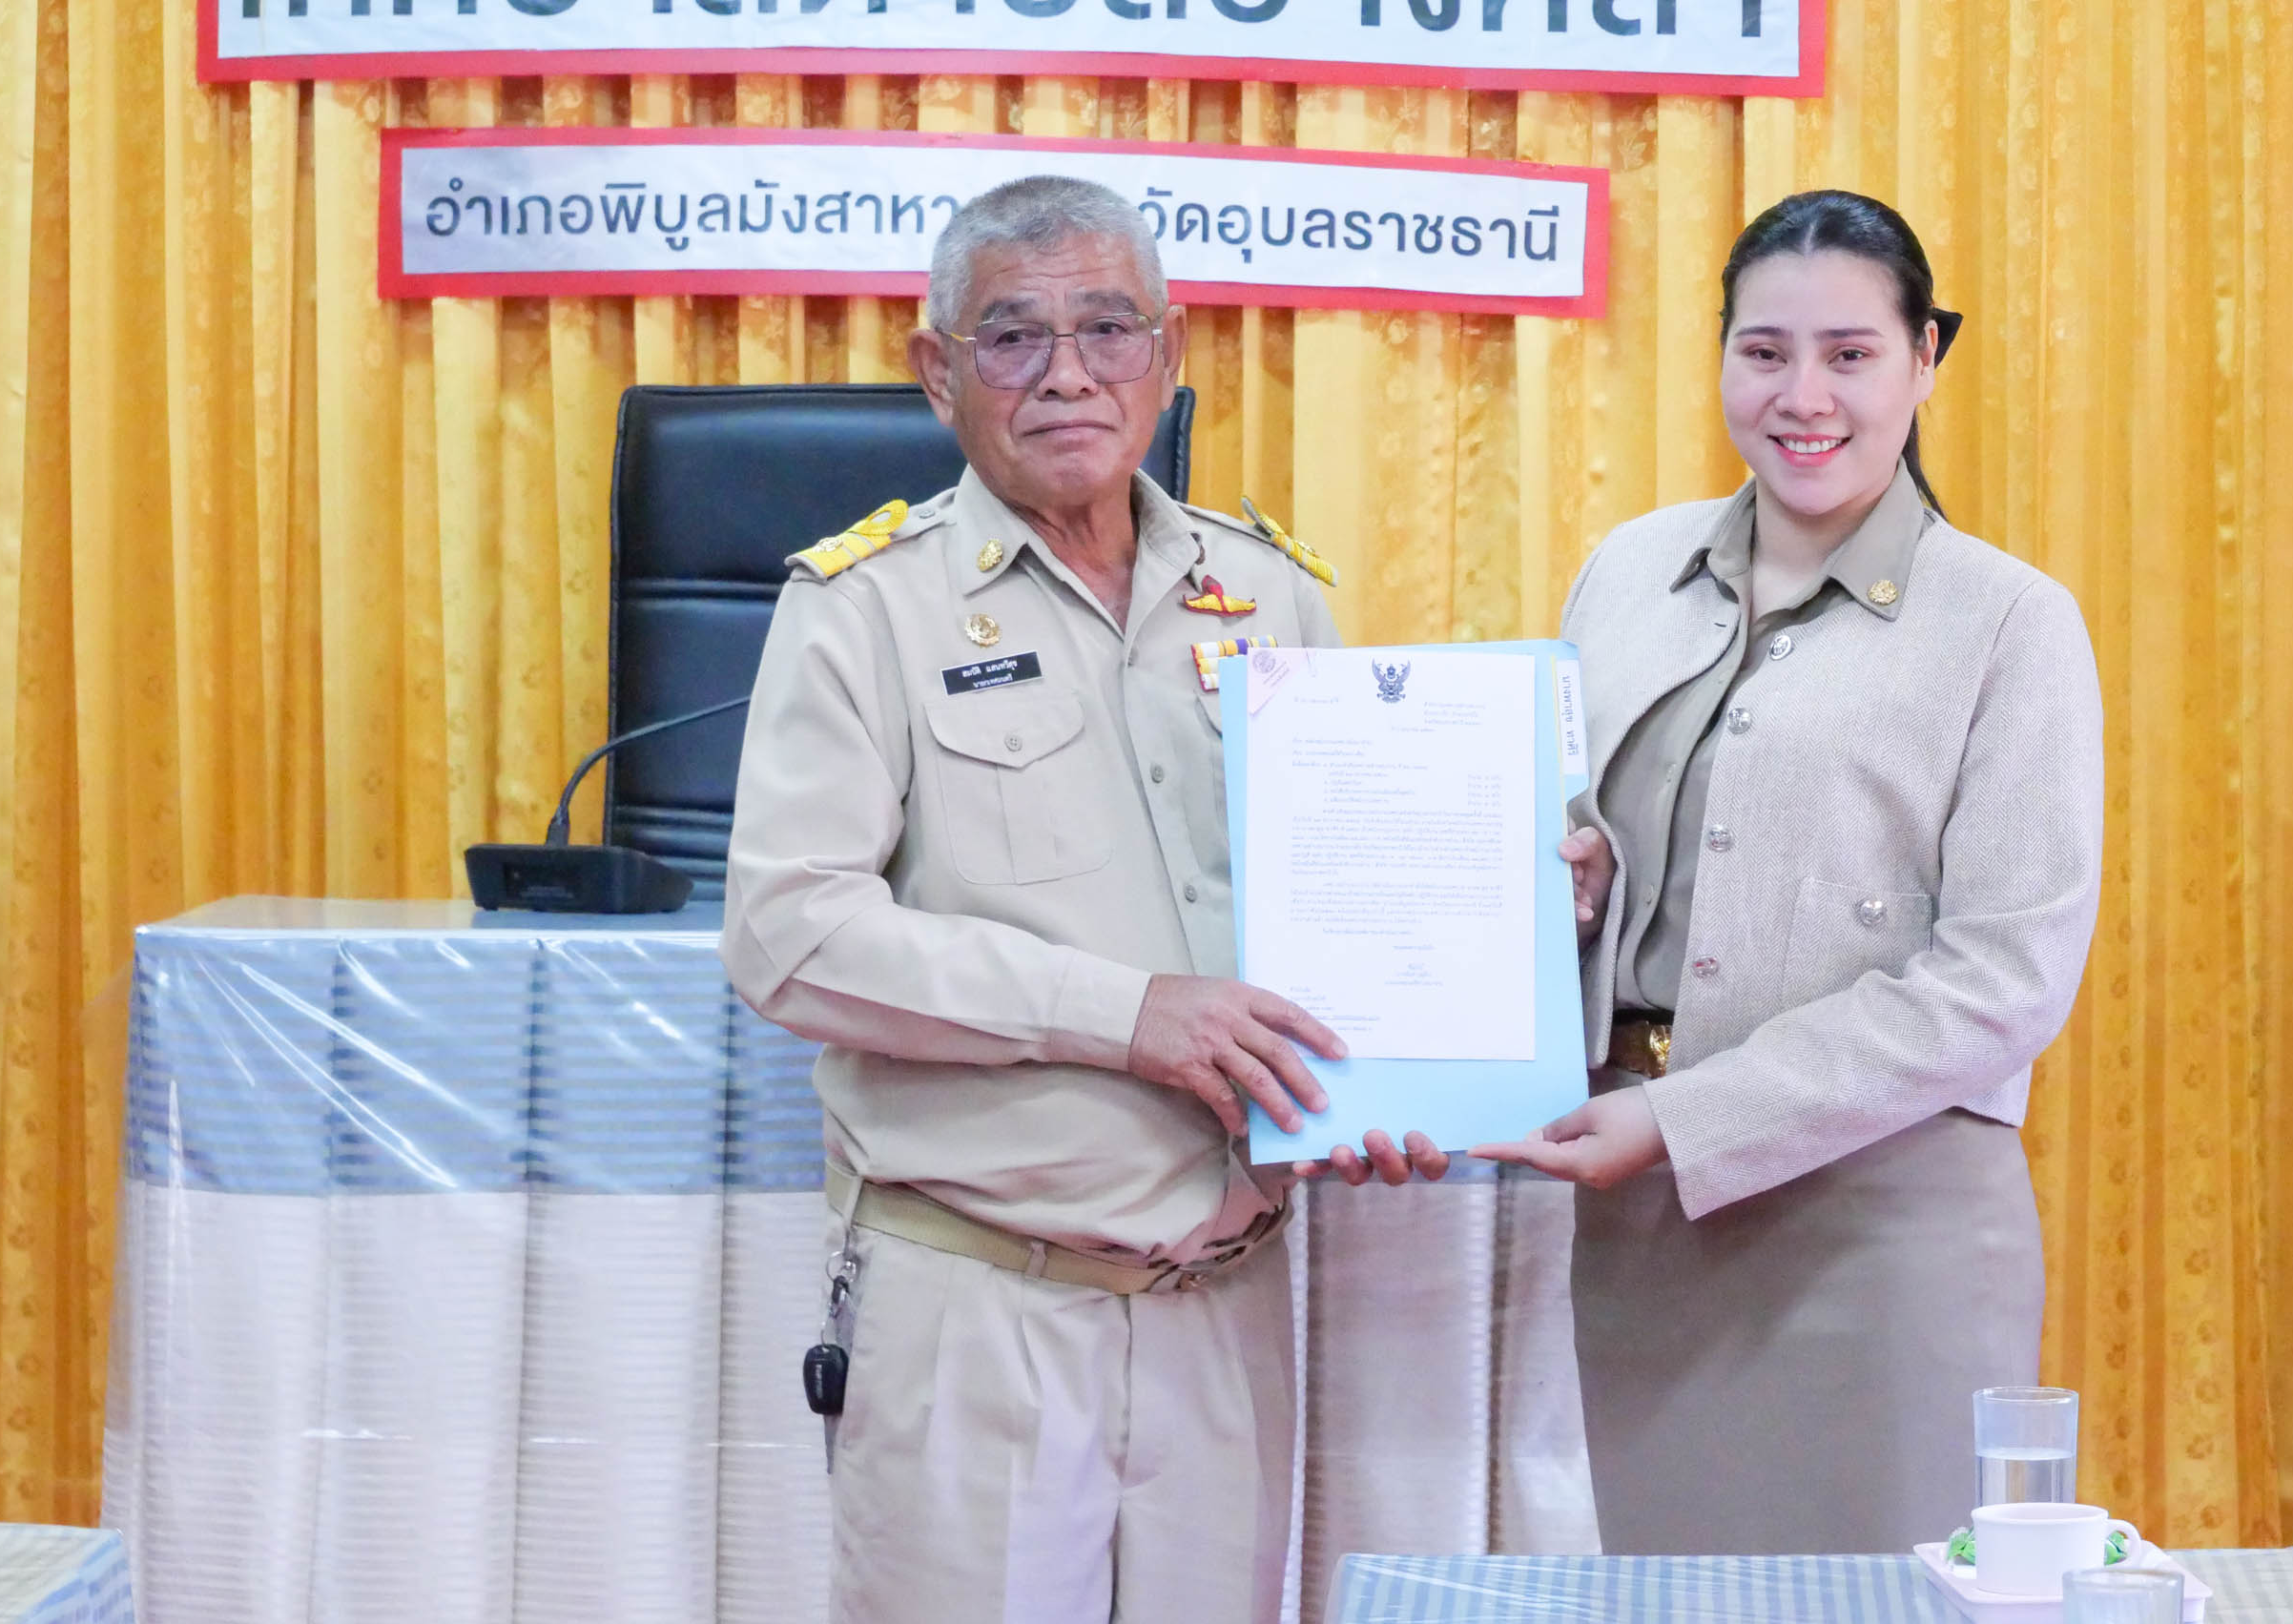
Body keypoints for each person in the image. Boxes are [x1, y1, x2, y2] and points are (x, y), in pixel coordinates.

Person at [721, 175, 1441, 1624]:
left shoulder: (1272, 595)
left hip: (1223, 1297)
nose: (1068, 374)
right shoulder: (865, 608)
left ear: (1168, 355)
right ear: (939, 374)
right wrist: (1127, 1015)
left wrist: (1403, 1058)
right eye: (1013, 336)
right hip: (980, 1296)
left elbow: (1358, 902)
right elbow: (790, 935)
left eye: (1109, 328)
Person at [1473, 190, 2105, 1553]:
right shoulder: (1628, 571)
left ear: (1924, 359)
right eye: (1764, 352)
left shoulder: (2010, 621)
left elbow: (2004, 979)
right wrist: (1568, 886)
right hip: (1629, 1217)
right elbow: (1578, 830)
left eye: (1850, 354)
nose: (1803, 397)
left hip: (1883, 1230)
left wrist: (1687, 1119)